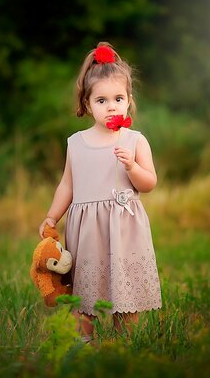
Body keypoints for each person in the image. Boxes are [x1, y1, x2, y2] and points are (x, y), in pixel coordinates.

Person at [38, 42, 162, 342]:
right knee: (85, 293)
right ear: (87, 104)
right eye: (102, 100)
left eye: (118, 99)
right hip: (88, 232)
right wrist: (52, 216)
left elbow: (149, 182)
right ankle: (85, 343)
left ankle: (125, 343)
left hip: (124, 229)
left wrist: (132, 167)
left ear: (129, 101)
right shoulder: (77, 143)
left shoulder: (135, 141)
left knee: (126, 293)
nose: (111, 106)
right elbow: (67, 184)